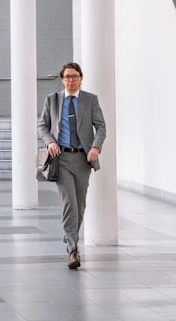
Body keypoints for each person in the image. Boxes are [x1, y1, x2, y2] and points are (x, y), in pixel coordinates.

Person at [37, 62, 107, 269]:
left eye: (74, 76)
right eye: (67, 76)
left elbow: (101, 126)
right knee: (69, 204)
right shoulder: (53, 100)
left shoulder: (90, 100)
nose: (71, 80)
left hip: (84, 158)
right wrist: (50, 141)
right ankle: (73, 249)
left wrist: (96, 147)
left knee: (80, 205)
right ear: (62, 79)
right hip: (62, 159)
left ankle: (70, 238)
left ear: (81, 78)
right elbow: (42, 125)